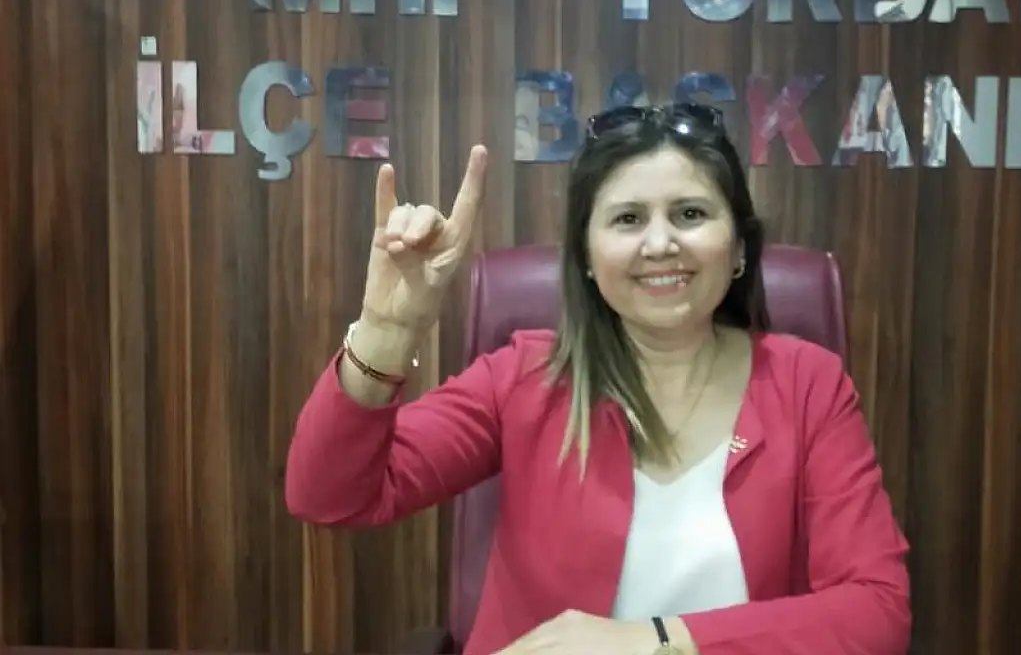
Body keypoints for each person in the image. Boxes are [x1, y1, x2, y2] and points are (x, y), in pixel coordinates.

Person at [284, 103, 911, 655]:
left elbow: (876, 611)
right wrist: (387, 329)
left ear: (740, 248)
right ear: (586, 255)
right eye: (628, 219)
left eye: (690, 213)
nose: (660, 243)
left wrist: (653, 642)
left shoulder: (807, 385)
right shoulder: (525, 378)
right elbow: (329, 495)